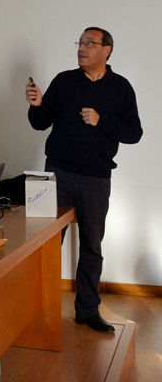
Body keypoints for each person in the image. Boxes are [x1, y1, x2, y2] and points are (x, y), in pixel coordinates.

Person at [25, 27, 142, 334]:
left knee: (92, 245)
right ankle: (38, 309)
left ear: (107, 51)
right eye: (80, 42)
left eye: (90, 43)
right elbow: (40, 124)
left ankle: (87, 310)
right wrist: (36, 105)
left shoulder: (121, 88)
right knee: (47, 244)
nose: (82, 47)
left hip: (95, 178)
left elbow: (134, 133)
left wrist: (102, 120)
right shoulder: (64, 82)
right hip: (59, 173)